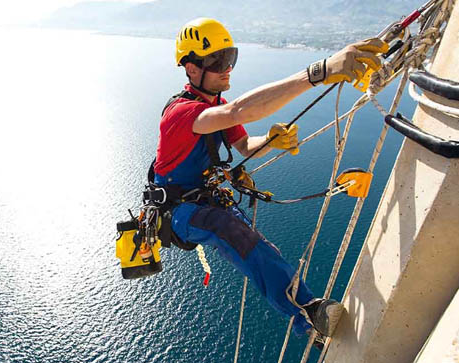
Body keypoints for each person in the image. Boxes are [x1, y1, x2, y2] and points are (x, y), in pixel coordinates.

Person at [152, 17, 388, 337]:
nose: (227, 68)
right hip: (179, 211)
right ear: (191, 68)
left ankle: (310, 324)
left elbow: (243, 144)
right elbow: (237, 112)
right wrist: (318, 72)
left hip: (203, 201)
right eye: (218, 60)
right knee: (233, 232)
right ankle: (308, 312)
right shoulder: (182, 114)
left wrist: (269, 141)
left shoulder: (214, 106)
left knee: (260, 247)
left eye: (230, 57)